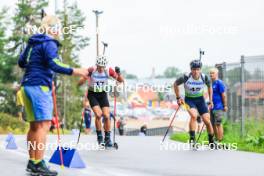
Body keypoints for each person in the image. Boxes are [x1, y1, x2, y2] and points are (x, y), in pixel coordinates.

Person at [18, 15, 89, 175]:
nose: (59, 30)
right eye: (58, 27)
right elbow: (54, 63)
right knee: (44, 126)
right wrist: (76, 71)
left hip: (27, 86)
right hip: (39, 88)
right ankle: (39, 163)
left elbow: (22, 62)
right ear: (51, 28)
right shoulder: (49, 43)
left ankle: (33, 162)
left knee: (34, 126)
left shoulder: (33, 42)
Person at [78, 55, 124, 147]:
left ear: (105, 66)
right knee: (98, 115)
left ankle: (107, 138)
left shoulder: (108, 71)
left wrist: (118, 73)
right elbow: (80, 82)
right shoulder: (92, 70)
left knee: (107, 116)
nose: (101, 68)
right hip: (92, 94)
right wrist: (84, 79)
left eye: (102, 66)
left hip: (102, 94)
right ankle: (99, 137)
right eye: (99, 66)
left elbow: (121, 80)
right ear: (96, 65)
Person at [174, 59, 216, 148]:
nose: (196, 71)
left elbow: (210, 87)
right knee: (193, 116)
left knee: (207, 120)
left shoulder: (205, 77)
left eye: (198, 69)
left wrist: (211, 100)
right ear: (191, 69)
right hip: (189, 100)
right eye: (194, 69)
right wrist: (178, 98)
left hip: (200, 100)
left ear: (200, 69)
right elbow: (175, 84)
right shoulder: (186, 77)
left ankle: (211, 142)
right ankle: (192, 140)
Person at [209, 68, 228, 142]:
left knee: (218, 124)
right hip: (212, 107)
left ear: (216, 74)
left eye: (213, 73)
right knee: (213, 124)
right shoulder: (211, 83)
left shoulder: (219, 83)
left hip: (218, 107)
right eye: (210, 73)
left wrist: (225, 105)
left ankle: (220, 140)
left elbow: (224, 95)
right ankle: (216, 140)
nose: (211, 74)